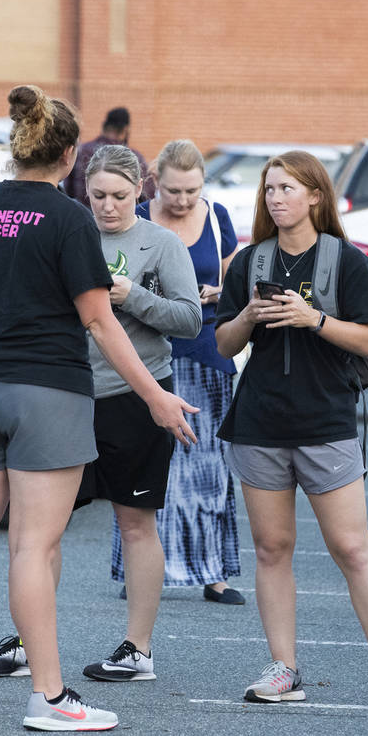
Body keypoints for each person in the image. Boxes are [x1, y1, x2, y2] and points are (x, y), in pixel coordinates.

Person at [0, 87, 198, 730]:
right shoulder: (69, 220)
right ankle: (49, 697)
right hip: (46, 393)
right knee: (33, 548)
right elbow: (99, 321)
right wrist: (156, 396)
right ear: (70, 155)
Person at [0, 144, 202, 684]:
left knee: (135, 522)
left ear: (142, 189)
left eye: (120, 196)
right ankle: (28, 640)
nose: (109, 207)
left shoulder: (160, 243)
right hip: (64, 393)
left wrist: (131, 296)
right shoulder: (66, 230)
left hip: (137, 395)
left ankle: (137, 649)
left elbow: (190, 320)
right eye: (98, 196)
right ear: (82, 190)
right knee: (39, 529)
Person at [215, 150, 368, 712]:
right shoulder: (249, 260)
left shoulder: (347, 261)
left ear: (315, 196)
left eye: (287, 188)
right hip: (259, 424)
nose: (275, 198)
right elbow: (225, 345)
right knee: (272, 549)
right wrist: (248, 316)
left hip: (325, 422)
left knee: (352, 549)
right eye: (269, 189)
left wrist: (313, 319)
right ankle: (283, 668)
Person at [113, 138, 244, 604]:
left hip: (206, 348)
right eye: (174, 191)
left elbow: (233, 277)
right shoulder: (137, 215)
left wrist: (213, 294)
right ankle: (141, 568)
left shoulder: (217, 216)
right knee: (144, 459)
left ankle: (214, 573)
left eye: (192, 191)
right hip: (145, 351)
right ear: (154, 184)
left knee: (210, 465)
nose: (184, 200)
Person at [63, 107, 155, 207]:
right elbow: (148, 195)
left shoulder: (80, 151)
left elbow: (68, 189)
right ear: (125, 129)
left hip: (82, 216)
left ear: (104, 126)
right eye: (99, 195)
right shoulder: (133, 157)